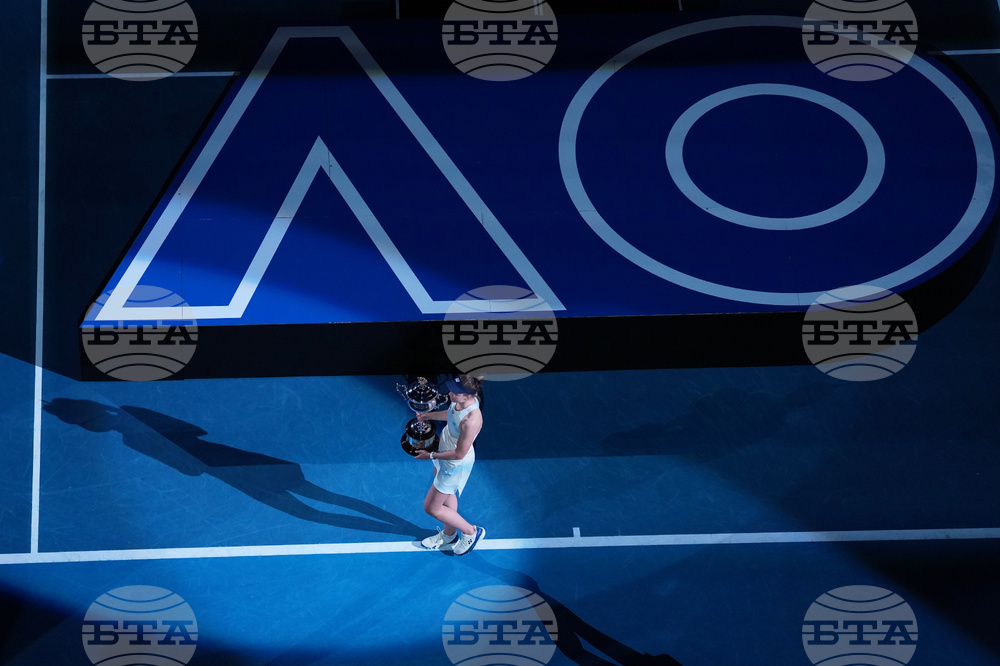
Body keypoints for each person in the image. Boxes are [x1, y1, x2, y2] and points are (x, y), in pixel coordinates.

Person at [414, 375, 485, 556]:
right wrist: (427, 416)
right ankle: (449, 535)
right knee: (447, 496)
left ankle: (471, 532)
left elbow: (459, 454)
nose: (450, 395)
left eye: (455, 393)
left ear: (468, 396)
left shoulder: (472, 420)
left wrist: (430, 455)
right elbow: (450, 414)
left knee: (431, 508)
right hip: (445, 450)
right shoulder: (462, 401)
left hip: (454, 464)